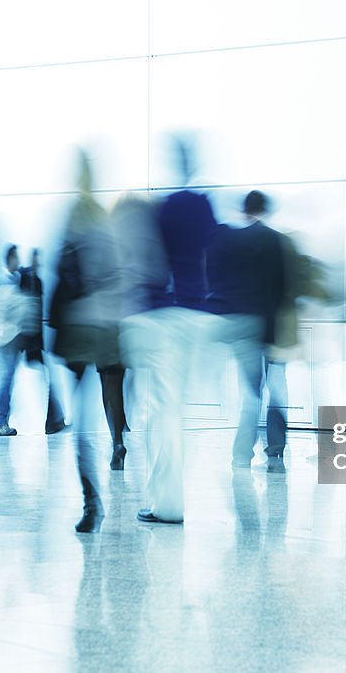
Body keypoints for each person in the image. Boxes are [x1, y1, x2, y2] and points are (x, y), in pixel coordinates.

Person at [120, 137, 217, 524]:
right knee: (173, 410)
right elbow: (211, 255)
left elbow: (148, 263)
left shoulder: (161, 209)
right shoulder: (203, 206)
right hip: (196, 316)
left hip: (163, 316)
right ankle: (167, 500)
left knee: (163, 411)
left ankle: (167, 503)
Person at [48, 151, 124, 532]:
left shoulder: (74, 215)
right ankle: (117, 441)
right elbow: (116, 272)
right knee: (110, 392)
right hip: (106, 325)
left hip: (79, 325)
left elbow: (60, 269)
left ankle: (91, 499)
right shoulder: (105, 218)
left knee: (82, 415)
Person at [205, 190, 285, 470]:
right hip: (264, 324)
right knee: (266, 388)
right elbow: (281, 291)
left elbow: (212, 277)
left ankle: (243, 451)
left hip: (234, 323)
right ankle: (266, 448)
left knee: (250, 389)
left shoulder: (225, 238)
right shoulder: (274, 240)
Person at [18, 248, 67, 435]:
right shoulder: (28, 280)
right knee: (47, 382)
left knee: (49, 381)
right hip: (29, 339)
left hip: (35, 339)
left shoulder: (37, 282)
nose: (39, 264)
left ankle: (54, 421)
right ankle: (53, 422)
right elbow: (27, 312)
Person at [0, 244, 25, 437]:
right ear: (10, 258)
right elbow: (2, 311)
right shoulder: (2, 281)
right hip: (5, 339)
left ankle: (2, 421)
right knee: (5, 381)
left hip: (10, 338)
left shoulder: (13, 279)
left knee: (7, 381)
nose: (19, 262)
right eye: (16, 258)